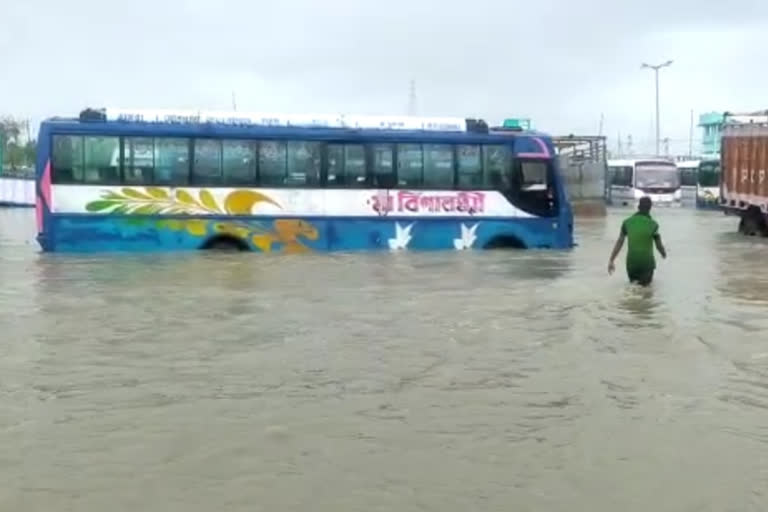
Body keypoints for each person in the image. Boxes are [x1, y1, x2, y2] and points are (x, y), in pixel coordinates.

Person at [608, 196, 667, 286]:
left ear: (638, 207)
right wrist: (664, 254)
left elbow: (619, 242)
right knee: (646, 292)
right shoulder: (653, 225)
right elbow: (659, 246)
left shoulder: (627, 222)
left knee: (634, 288)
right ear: (650, 208)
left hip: (631, 264)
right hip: (646, 264)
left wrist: (611, 260)